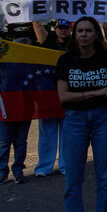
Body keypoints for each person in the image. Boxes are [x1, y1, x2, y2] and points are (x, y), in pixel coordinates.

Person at [53, 16, 107, 212]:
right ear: (74, 33)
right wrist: (96, 92)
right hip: (75, 120)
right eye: (80, 30)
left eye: (89, 31)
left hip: (102, 118)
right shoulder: (66, 60)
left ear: (95, 35)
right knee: (73, 176)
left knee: (104, 174)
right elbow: (63, 97)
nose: (83, 35)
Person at [31, 18, 69, 178]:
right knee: (47, 132)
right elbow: (37, 24)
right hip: (48, 94)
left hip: (68, 94)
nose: (63, 30)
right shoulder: (47, 41)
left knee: (68, 132)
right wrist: (34, 0)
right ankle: (44, 166)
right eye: (60, 27)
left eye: (66, 27)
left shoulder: (76, 44)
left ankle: (66, 165)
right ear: (54, 29)